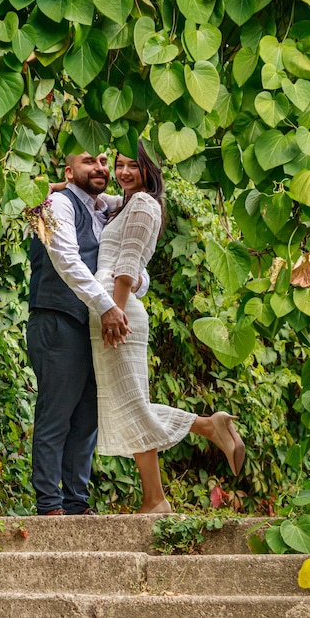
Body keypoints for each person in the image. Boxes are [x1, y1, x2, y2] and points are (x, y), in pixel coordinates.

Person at [89, 141, 245, 514]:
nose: (125, 173)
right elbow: (86, 194)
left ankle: (157, 497)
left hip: (116, 311)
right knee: (128, 404)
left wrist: (116, 311)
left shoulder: (142, 204)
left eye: (134, 167)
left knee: (130, 405)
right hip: (110, 308)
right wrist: (61, 184)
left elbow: (127, 264)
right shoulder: (124, 203)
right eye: (120, 165)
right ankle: (205, 430)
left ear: (150, 170)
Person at [27, 152, 147, 515]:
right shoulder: (55, 203)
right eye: (87, 161)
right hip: (57, 319)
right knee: (57, 413)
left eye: (103, 161)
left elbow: (129, 268)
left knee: (86, 419)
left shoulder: (106, 210)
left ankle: (76, 504)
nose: (100, 168)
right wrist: (107, 306)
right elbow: (65, 258)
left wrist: (133, 284)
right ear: (68, 171)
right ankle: (50, 505)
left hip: (94, 326)